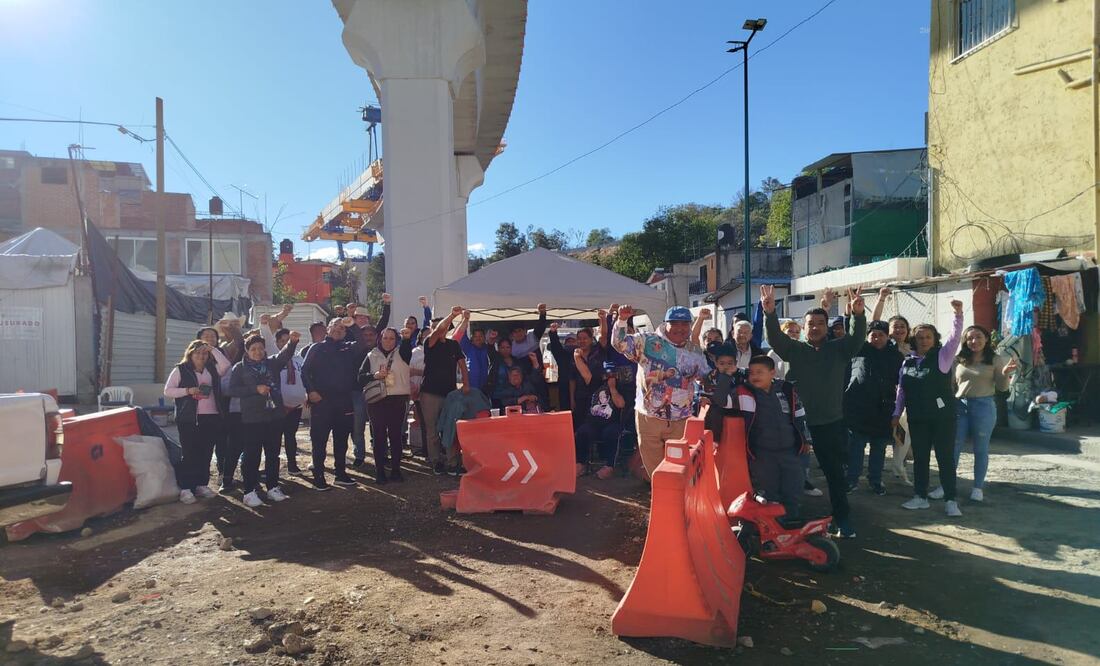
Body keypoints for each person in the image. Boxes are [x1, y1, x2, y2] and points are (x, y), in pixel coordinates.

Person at [762, 284, 866, 538]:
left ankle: (842, 519)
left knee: (833, 474)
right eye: (811, 323)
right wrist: (770, 313)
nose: (815, 327)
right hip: (797, 425)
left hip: (830, 422)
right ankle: (789, 515)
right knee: (793, 472)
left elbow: (856, 339)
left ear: (826, 324)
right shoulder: (796, 350)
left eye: (820, 322)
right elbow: (776, 339)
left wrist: (858, 315)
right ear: (804, 326)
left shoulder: (839, 349)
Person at [611, 305, 709, 477]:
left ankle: (676, 498)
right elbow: (619, 344)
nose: (680, 328)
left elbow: (704, 376)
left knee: (679, 466)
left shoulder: (694, 350)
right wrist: (622, 320)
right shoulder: (647, 341)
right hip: (649, 416)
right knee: (655, 468)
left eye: (685, 324)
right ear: (666, 324)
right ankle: (659, 495)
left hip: (681, 418)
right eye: (675, 323)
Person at [893, 300, 965, 516]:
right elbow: (901, 391)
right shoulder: (907, 363)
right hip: (917, 417)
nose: (923, 340)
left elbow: (954, 337)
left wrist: (958, 314)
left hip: (942, 417)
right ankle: (920, 497)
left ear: (934, 340)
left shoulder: (942, 357)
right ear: (913, 339)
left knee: (944, 458)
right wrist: (896, 413)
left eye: (928, 337)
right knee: (921, 458)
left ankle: (951, 500)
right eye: (920, 337)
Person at [226, 332, 300, 508]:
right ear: (247, 351)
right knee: (252, 455)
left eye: (260, 348)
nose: (257, 351)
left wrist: (292, 342)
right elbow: (232, 390)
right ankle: (249, 491)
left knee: (273, 453)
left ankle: (273, 487)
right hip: (252, 418)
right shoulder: (240, 368)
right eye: (253, 349)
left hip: (274, 416)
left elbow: (285, 355)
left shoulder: (272, 364)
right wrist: (254, 389)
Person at [736, 354, 813, 520]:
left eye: (759, 372)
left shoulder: (786, 389)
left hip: (789, 450)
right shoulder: (745, 392)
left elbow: (800, 414)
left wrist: (805, 439)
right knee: (769, 491)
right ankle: (772, 528)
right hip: (762, 454)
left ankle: (792, 522)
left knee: (793, 487)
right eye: (751, 373)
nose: (754, 376)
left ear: (772, 373)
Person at [301, 308, 370, 490]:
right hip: (322, 401)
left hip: (344, 401)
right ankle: (319, 477)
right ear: (328, 329)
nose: (339, 330)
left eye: (342, 328)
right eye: (335, 327)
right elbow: (304, 370)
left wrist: (352, 325)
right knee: (319, 440)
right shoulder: (317, 347)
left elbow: (362, 343)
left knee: (341, 439)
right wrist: (311, 391)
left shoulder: (348, 348)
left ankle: (340, 474)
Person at [950, 324, 1017, 502]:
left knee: (980, 449)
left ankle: (977, 487)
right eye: (970, 338)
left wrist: (1005, 374)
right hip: (960, 406)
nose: (974, 341)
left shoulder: (995, 359)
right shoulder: (958, 359)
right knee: (953, 447)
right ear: (965, 341)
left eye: (978, 337)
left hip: (984, 406)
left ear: (986, 339)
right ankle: (946, 485)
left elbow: (1002, 388)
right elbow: (951, 385)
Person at [164, 340, 230, 504]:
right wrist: (188, 391)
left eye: (204, 353)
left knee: (206, 452)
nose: (201, 356)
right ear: (190, 354)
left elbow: (226, 365)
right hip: (189, 418)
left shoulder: (212, 369)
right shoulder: (181, 370)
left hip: (211, 416)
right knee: (190, 453)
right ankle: (186, 488)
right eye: (197, 353)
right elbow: (168, 391)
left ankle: (201, 484)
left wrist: (213, 349)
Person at [844, 320, 904, 496]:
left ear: (887, 336)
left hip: (884, 409)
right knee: (856, 447)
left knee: (879, 448)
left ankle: (875, 480)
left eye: (881, 335)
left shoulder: (896, 356)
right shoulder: (859, 350)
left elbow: (900, 384)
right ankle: (852, 480)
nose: (877, 338)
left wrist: (897, 411)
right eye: (873, 335)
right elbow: (852, 330)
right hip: (858, 408)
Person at [358, 326, 414, 484]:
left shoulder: (402, 352)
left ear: (396, 340)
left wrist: (407, 338)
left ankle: (396, 470)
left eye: (392, 338)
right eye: (385, 338)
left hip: (397, 400)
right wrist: (374, 375)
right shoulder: (371, 355)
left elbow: (407, 350)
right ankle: (380, 472)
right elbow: (360, 378)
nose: (388, 341)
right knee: (379, 437)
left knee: (396, 436)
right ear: (380, 339)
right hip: (377, 401)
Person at [421, 306, 471, 475]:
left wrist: (466, 383)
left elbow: (462, 364)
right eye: (435, 326)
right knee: (432, 430)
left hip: (449, 393)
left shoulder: (453, 344)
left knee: (450, 427)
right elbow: (440, 329)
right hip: (430, 393)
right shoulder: (429, 342)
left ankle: (452, 462)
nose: (438, 328)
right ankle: (436, 461)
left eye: (440, 326)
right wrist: (452, 315)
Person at [259, 314, 307, 476]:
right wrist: (264, 324)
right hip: (278, 405)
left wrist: (306, 395)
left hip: (296, 406)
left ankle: (292, 465)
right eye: (283, 341)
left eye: (289, 340)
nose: (286, 343)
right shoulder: (273, 355)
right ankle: (270, 468)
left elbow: (305, 377)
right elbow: (267, 337)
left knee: (291, 436)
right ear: (278, 343)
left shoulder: (299, 358)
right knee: (273, 438)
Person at [351, 295, 391, 468]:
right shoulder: (354, 345)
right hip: (357, 391)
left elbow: (383, 322)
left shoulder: (377, 348)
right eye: (364, 334)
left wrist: (387, 305)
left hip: (377, 388)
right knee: (358, 425)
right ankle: (359, 455)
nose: (367, 336)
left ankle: (381, 453)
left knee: (379, 424)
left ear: (376, 336)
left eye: (371, 334)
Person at [571, 327, 603, 429]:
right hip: (580, 395)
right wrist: (572, 399)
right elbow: (572, 380)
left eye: (585, 338)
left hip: (597, 394)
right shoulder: (574, 356)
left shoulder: (597, 353)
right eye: (579, 338)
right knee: (580, 424)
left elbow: (604, 336)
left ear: (590, 339)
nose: (582, 341)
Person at [453, 310, 490, 395]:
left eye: (480, 336)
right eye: (475, 336)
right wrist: (464, 319)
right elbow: (462, 334)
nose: (478, 338)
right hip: (471, 388)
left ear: (484, 338)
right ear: (472, 338)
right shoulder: (468, 348)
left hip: (485, 388)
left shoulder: (487, 348)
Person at [547, 323, 578, 412]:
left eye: (573, 341)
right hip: (564, 387)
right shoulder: (562, 355)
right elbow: (555, 346)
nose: (571, 343)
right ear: (565, 343)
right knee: (566, 411)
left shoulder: (583, 354)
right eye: (569, 341)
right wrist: (553, 332)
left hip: (580, 388)